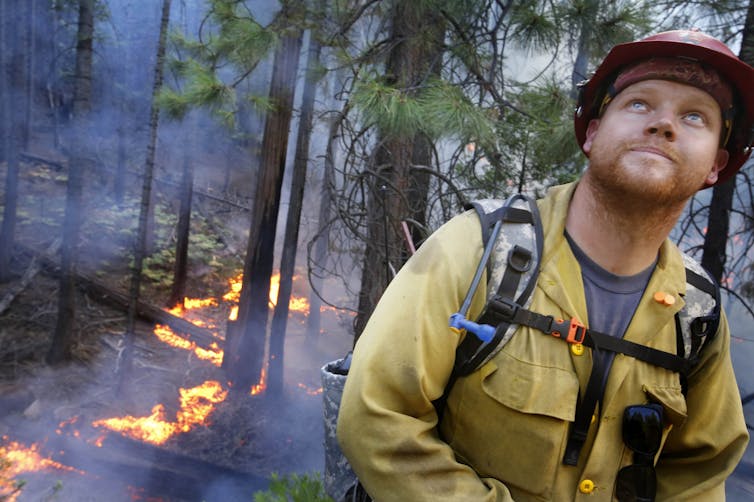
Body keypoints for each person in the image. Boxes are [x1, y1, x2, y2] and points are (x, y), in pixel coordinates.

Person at [337, 29, 753, 501]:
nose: (663, 125)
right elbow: (377, 416)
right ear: (593, 133)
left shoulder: (694, 316)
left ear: (717, 164)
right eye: (639, 104)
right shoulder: (478, 249)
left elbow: (698, 476)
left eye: (694, 116)